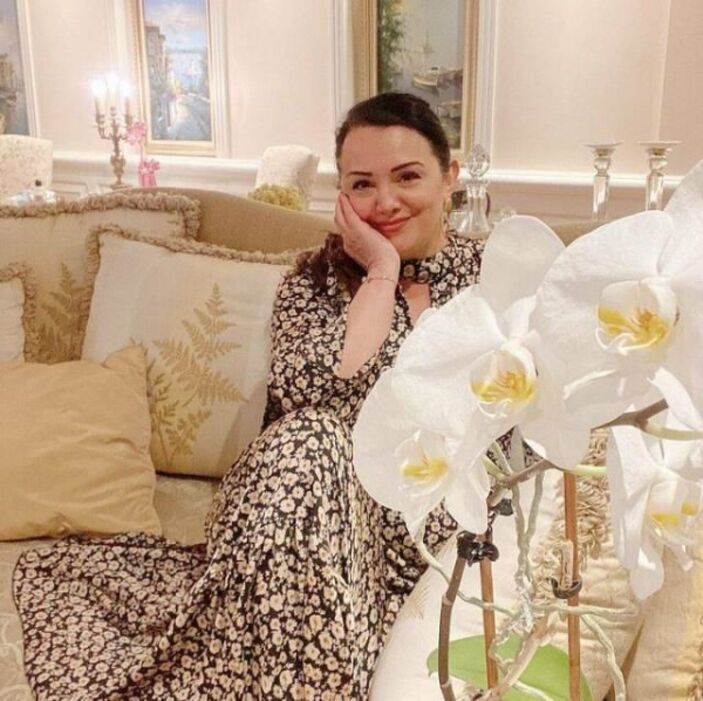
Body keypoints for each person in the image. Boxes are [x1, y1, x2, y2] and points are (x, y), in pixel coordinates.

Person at [13, 92, 485, 700]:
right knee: (311, 439)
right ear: (342, 193)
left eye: (408, 177)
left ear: (450, 177)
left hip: (426, 518)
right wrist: (381, 273)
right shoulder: (314, 280)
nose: (385, 201)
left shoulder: (493, 278)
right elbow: (317, 393)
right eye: (362, 184)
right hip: (307, 512)